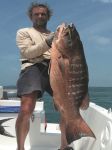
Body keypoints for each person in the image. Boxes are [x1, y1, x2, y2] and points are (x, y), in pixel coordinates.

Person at [16, 2, 54, 150]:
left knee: (66, 107)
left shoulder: (55, 35)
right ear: (31, 16)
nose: (40, 16)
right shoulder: (24, 32)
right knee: (26, 108)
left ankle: (64, 145)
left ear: (48, 17)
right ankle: (20, 148)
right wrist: (48, 42)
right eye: (36, 14)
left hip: (54, 69)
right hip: (32, 67)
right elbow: (28, 52)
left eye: (43, 14)